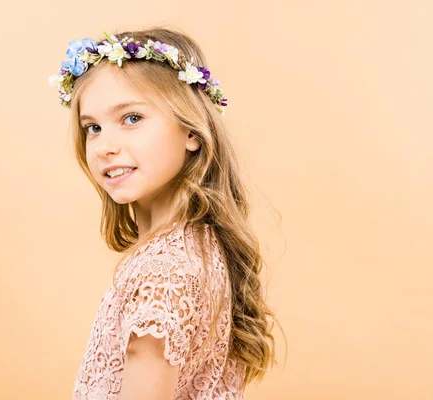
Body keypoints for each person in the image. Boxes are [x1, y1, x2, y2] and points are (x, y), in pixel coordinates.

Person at [48, 27, 280, 399]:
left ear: (191, 131)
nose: (105, 146)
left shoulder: (162, 274)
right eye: (92, 127)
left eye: (132, 118)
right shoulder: (198, 246)